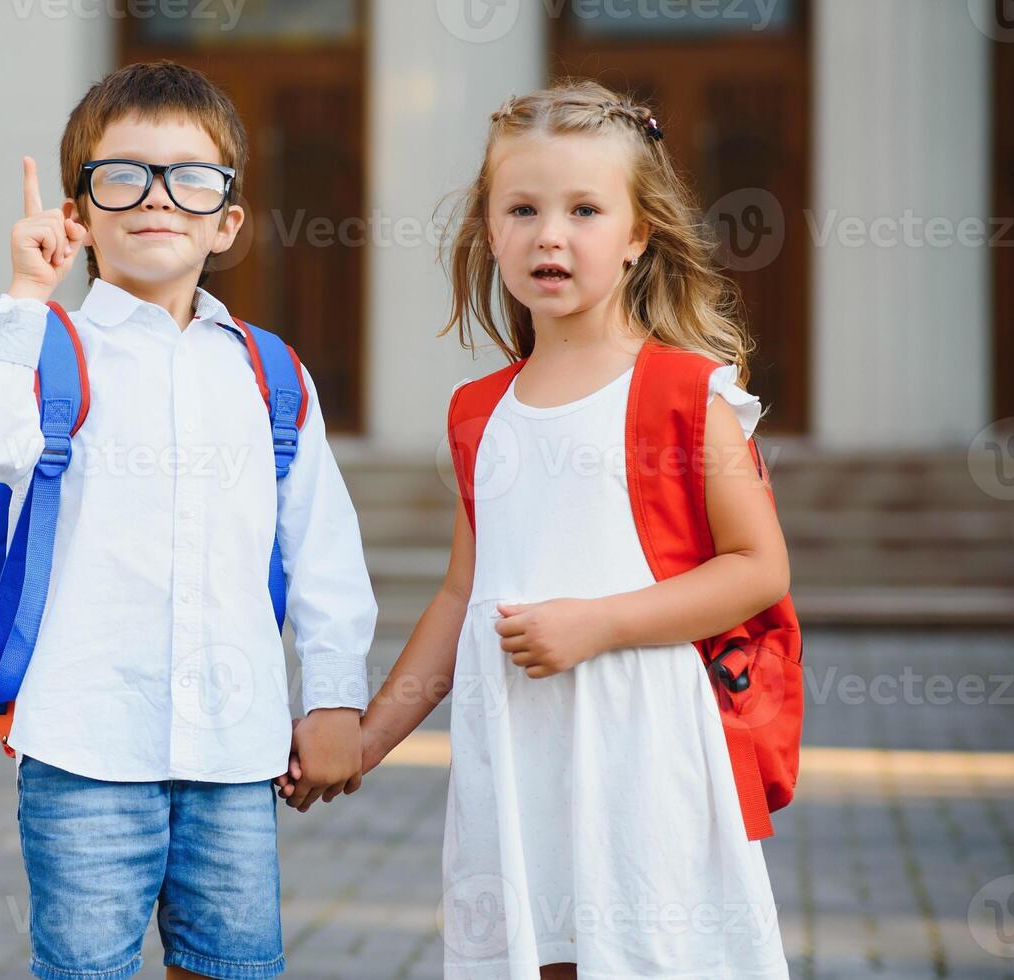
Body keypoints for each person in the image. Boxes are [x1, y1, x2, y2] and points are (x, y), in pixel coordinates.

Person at [278, 79, 793, 978]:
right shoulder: (481, 412)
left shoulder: (683, 392)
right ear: (489, 229)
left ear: (638, 236)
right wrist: (367, 738)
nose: (549, 234)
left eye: (585, 209)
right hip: (516, 751)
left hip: (642, 746)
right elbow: (460, 597)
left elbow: (757, 569)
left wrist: (598, 622)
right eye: (522, 208)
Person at [0, 61, 376, 980]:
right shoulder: (46, 347)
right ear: (79, 212)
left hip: (234, 753)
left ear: (228, 219)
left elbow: (322, 549)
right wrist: (23, 294)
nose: (157, 199)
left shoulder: (269, 374)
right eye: (122, 175)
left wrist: (334, 703)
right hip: (83, 749)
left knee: (232, 967)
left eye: (191, 178)